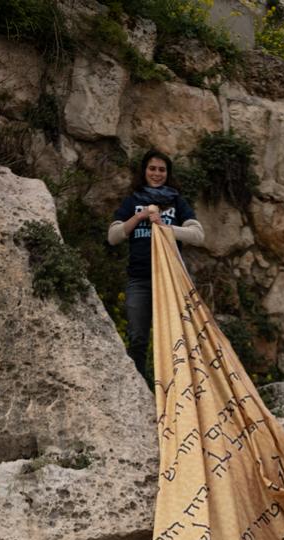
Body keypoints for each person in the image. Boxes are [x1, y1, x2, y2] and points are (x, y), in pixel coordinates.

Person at [108, 149, 205, 382]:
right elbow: (113, 236)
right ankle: (139, 391)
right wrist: (139, 218)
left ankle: (173, 394)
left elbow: (198, 235)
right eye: (152, 168)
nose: (157, 173)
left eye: (162, 170)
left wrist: (165, 227)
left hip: (170, 281)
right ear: (144, 171)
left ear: (168, 174)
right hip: (139, 280)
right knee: (138, 338)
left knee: (173, 339)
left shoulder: (176, 201)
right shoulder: (132, 201)